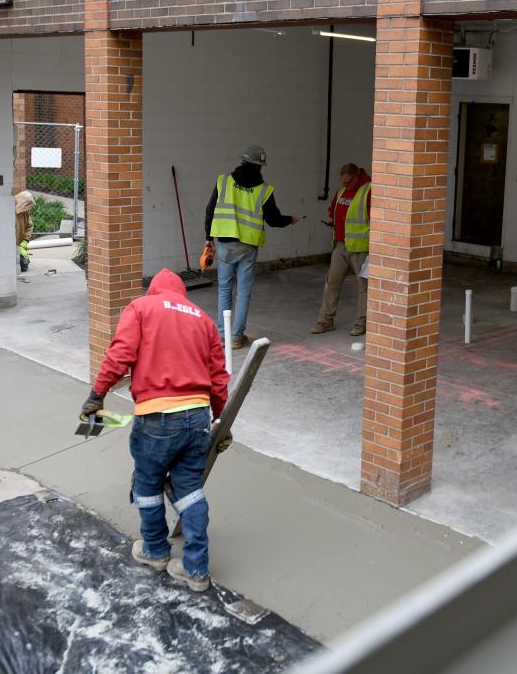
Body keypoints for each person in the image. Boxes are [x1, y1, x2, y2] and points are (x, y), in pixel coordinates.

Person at [79, 269, 230, 592]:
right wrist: (220, 420)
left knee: (147, 483)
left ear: (155, 291)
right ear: (181, 294)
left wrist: (97, 395)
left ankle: (155, 550)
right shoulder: (203, 319)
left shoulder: (141, 308)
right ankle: (196, 570)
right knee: (189, 488)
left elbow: (120, 355)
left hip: (157, 417)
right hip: (197, 418)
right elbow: (219, 377)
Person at [204, 145, 300, 349]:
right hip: (248, 246)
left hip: (225, 244)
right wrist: (291, 219)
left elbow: (210, 211)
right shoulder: (264, 189)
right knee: (243, 292)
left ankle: (223, 336)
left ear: (243, 161)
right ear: (260, 167)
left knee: (224, 289)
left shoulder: (224, 181)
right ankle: (237, 336)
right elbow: (274, 220)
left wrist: (208, 239)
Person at [311, 163, 371, 336]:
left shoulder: (369, 191)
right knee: (332, 282)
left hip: (361, 249)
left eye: (347, 182)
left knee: (364, 286)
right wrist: (333, 222)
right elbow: (333, 210)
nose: (344, 186)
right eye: (342, 182)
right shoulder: (342, 191)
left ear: (356, 176)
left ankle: (362, 322)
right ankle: (325, 320)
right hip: (341, 245)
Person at [14, 190, 35, 273]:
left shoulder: (25, 213)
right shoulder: (10, 213)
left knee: (24, 266)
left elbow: (29, 226)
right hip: (11, 245)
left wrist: (25, 241)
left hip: (20, 243)